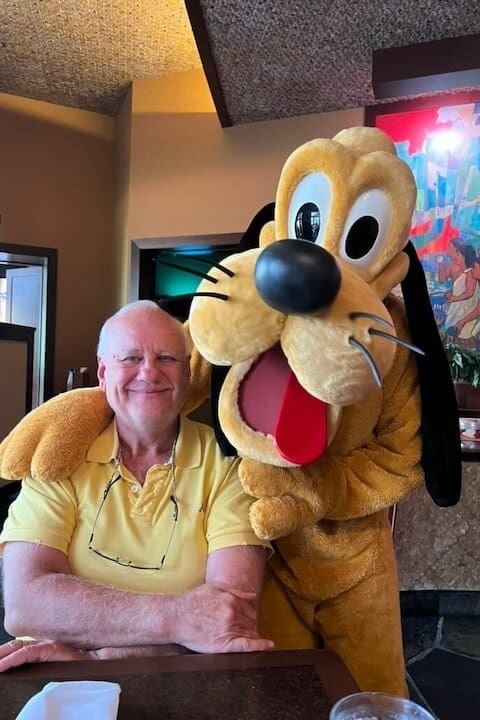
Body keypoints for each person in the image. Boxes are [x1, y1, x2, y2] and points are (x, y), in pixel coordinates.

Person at [0, 301, 273, 670]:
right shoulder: (57, 456)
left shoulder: (228, 463)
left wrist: (94, 656)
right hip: (56, 682)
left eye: (166, 358)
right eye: (129, 358)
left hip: (184, 683)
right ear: (102, 372)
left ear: (188, 373)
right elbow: (25, 605)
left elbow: (232, 619)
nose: (149, 372)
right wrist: (180, 618)